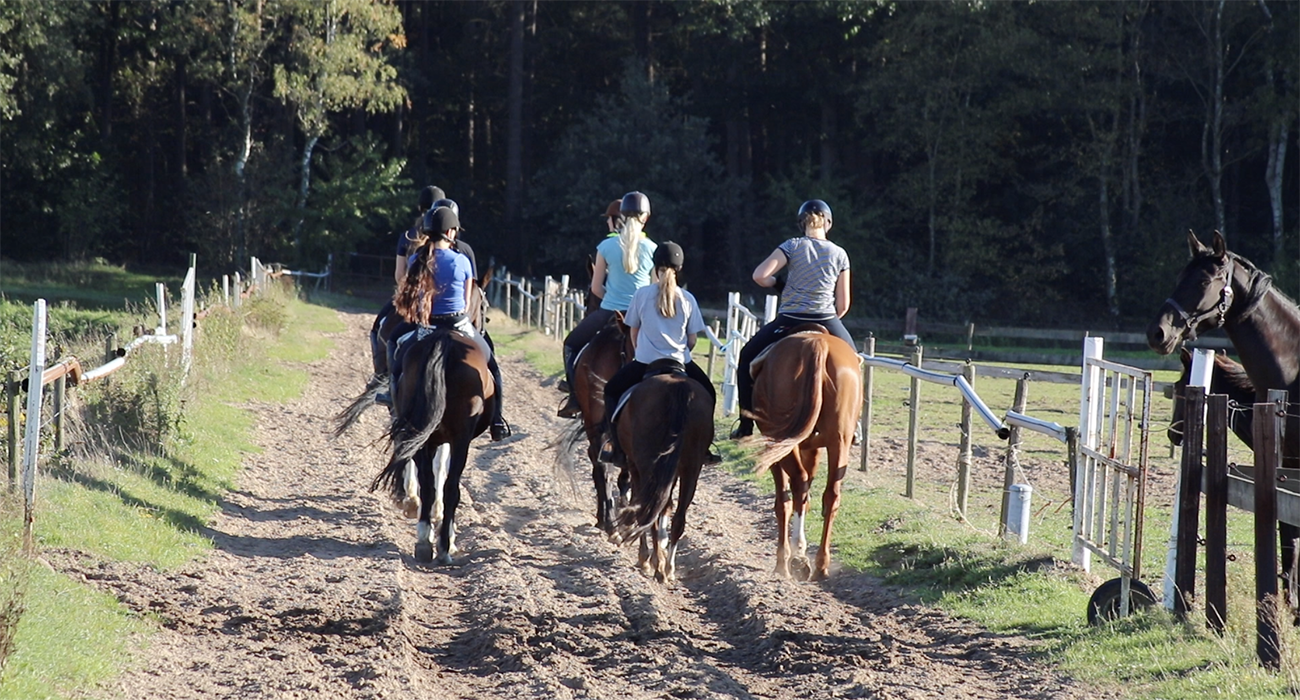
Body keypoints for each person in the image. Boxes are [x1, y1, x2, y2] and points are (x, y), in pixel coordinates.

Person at [731, 199, 853, 439]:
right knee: (854, 362)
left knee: (746, 357)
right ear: (828, 224)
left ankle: (746, 425)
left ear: (801, 224)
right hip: (826, 318)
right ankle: (852, 423)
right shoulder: (840, 254)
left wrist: (779, 284)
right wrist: (828, 316)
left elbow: (760, 275)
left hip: (789, 319)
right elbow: (843, 304)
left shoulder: (792, 246)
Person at [390, 206, 510, 441]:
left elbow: (414, 297)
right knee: (493, 366)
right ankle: (497, 420)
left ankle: (400, 419)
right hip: (458, 324)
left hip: (428, 327)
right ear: (451, 231)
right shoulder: (462, 261)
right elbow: (465, 303)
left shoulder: (416, 258)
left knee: (397, 368)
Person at [599, 241, 720, 465]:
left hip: (645, 363)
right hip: (679, 364)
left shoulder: (641, 294)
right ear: (679, 269)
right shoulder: (688, 299)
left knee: (611, 391)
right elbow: (692, 340)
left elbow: (633, 333)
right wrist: (679, 350)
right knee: (709, 394)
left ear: (655, 267)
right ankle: (705, 448)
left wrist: (643, 351)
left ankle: (615, 447)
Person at [557, 191, 657, 418]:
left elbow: (595, 288)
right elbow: (654, 288)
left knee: (571, 345)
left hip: (608, 313)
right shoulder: (653, 249)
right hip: (641, 316)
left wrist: (613, 298)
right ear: (646, 217)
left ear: (621, 216)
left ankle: (574, 398)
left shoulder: (605, 247)